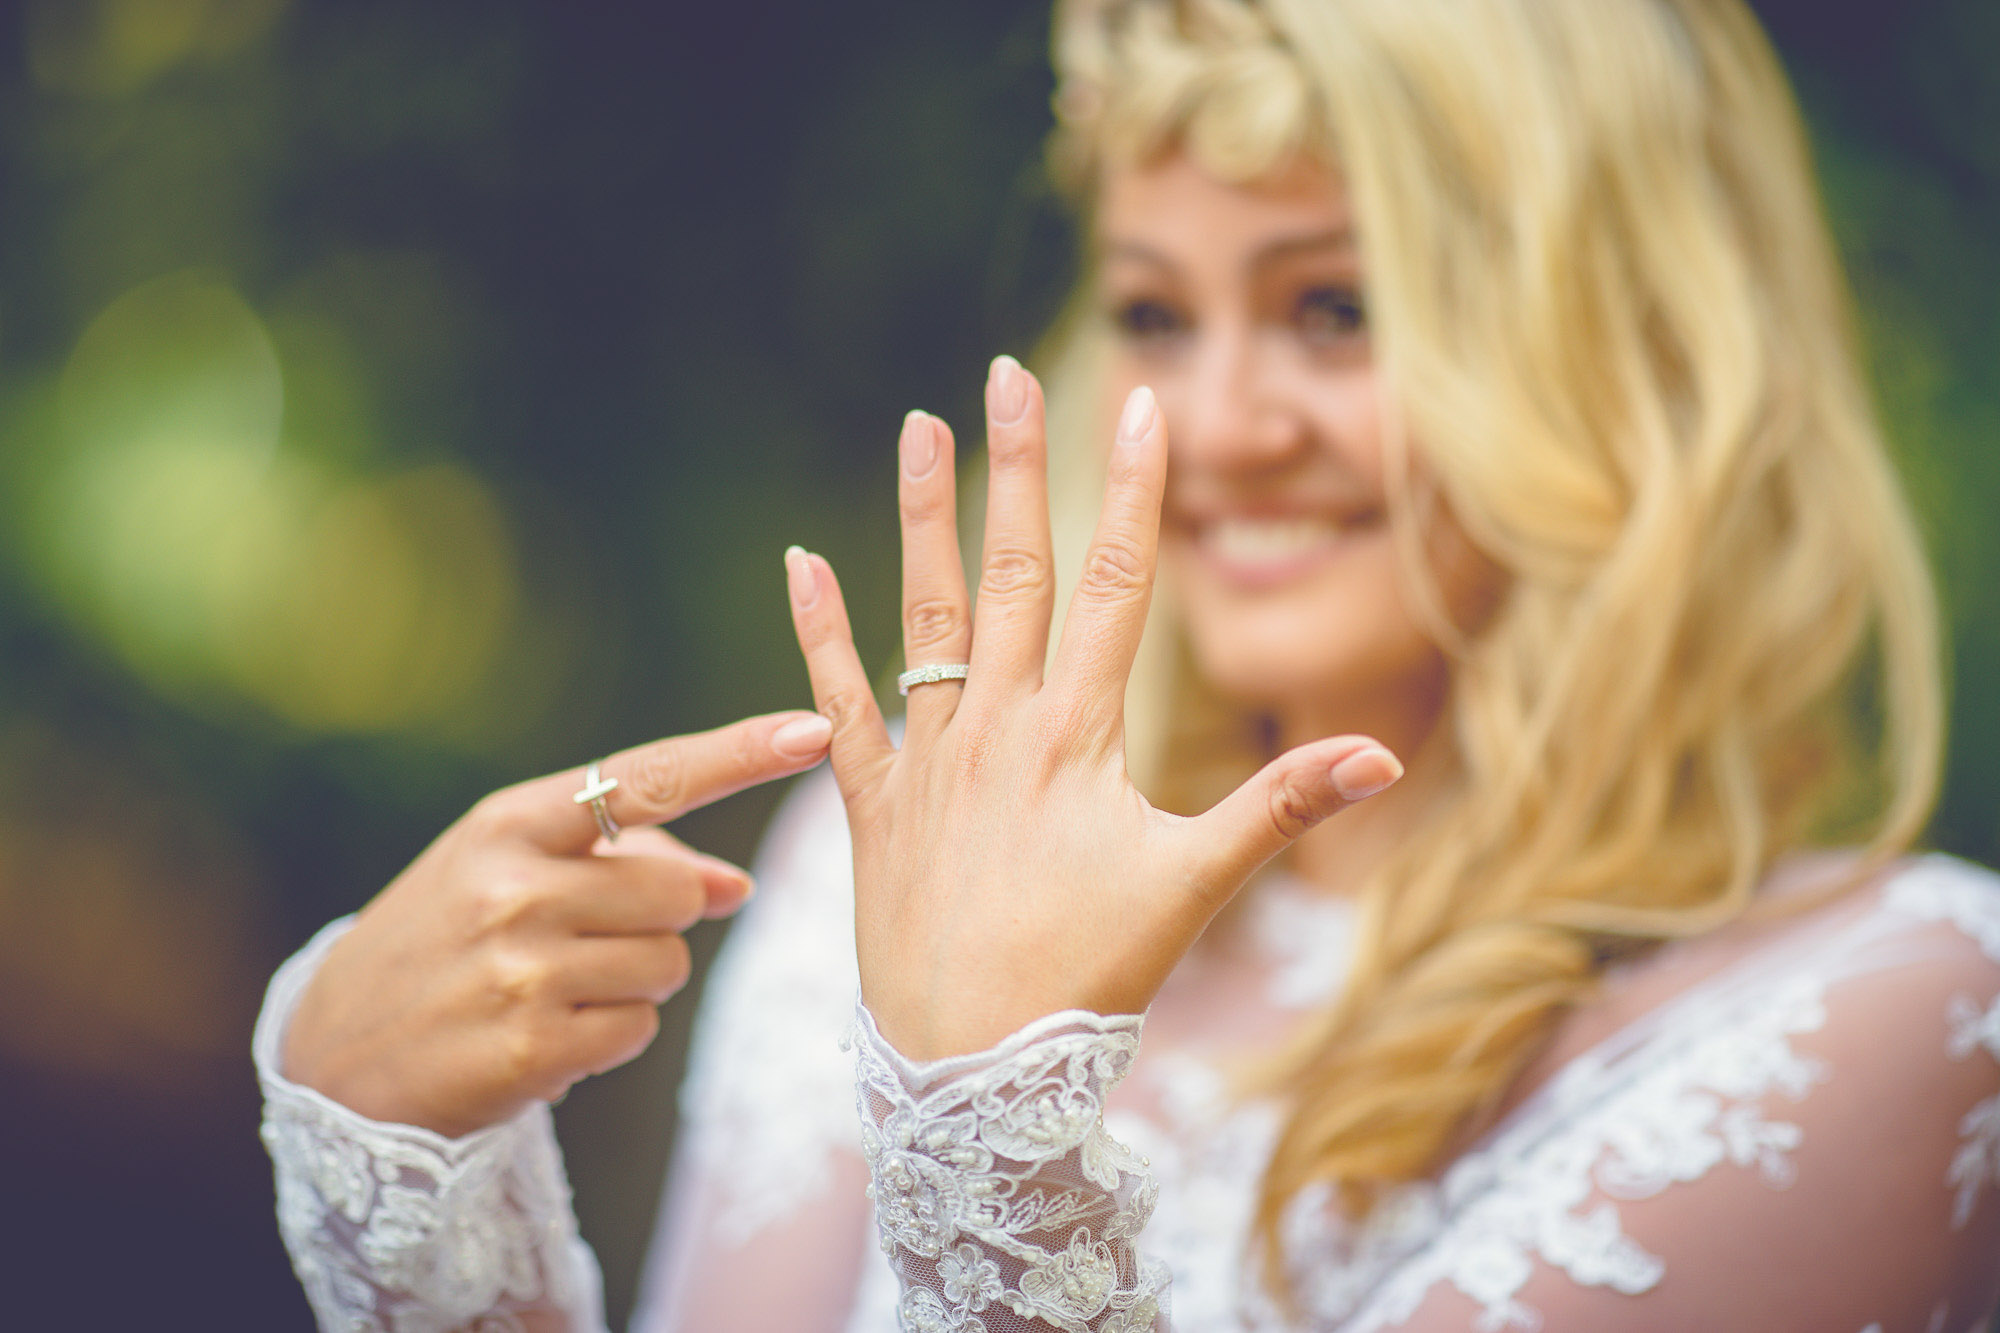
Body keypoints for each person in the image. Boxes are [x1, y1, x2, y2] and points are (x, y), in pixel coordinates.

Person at [256, 0, 2000, 1328]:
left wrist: (993, 1134)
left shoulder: (1895, 1002)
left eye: (1337, 306)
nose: (1223, 427)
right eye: (1159, 310)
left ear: (1631, 358)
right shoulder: (900, 863)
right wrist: (403, 1177)